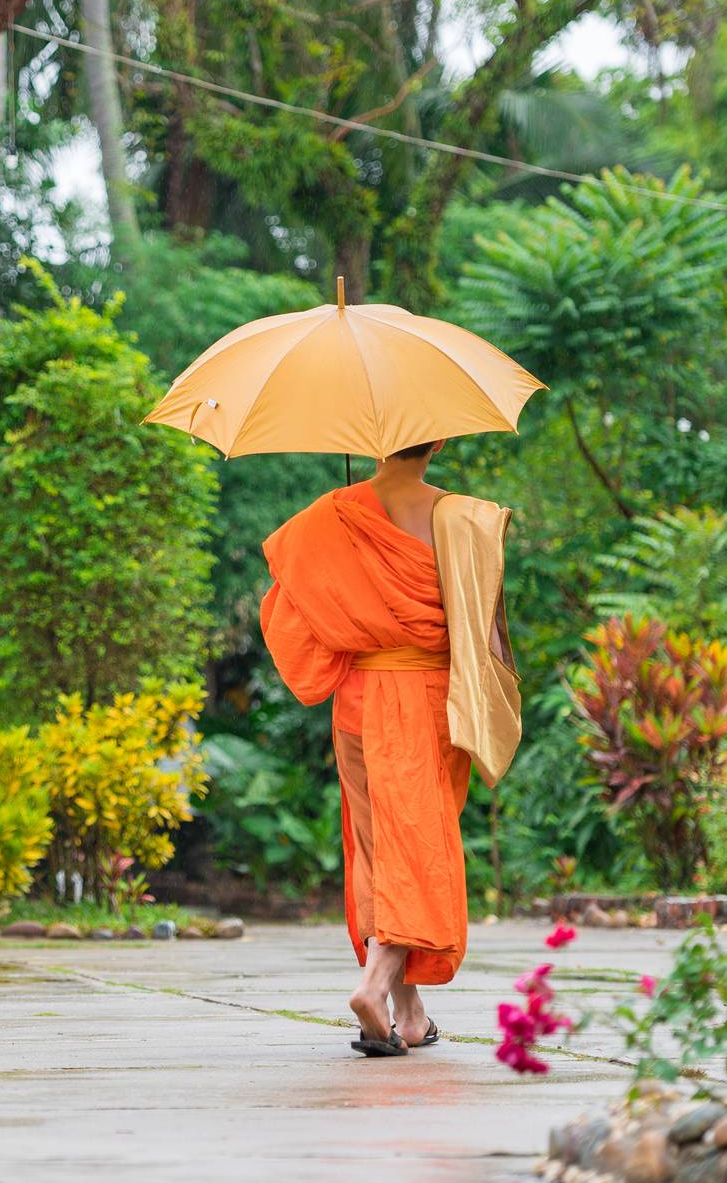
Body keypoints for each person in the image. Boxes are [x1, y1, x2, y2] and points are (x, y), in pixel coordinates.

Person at [259, 438, 518, 1057]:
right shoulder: (462, 517)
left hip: (359, 701)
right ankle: (374, 985)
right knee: (420, 845)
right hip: (430, 698)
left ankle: (407, 1013)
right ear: (444, 439)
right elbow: (483, 624)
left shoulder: (332, 514)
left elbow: (288, 617)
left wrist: (353, 591)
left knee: (380, 846)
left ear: (369, 444)